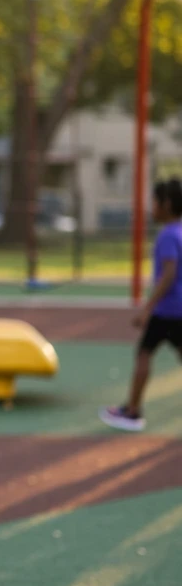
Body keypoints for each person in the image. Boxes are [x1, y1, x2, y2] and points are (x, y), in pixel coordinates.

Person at [100, 176, 182, 431]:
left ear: (167, 204)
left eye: (155, 202)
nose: (152, 208)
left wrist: (148, 308)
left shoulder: (168, 236)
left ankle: (133, 411)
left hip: (167, 311)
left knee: (144, 353)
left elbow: (169, 273)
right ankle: (132, 409)